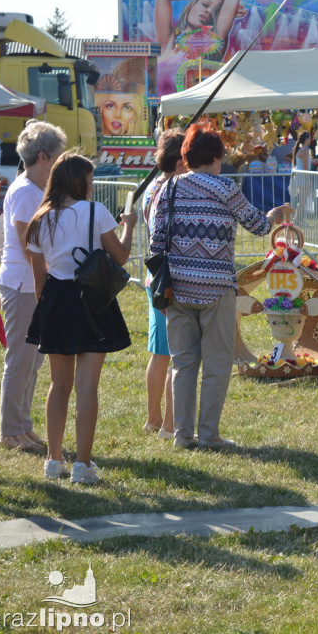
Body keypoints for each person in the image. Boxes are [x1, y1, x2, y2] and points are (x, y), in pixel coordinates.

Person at [149, 123, 289, 450]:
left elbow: (156, 241)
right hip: (216, 288)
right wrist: (276, 215)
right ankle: (208, 435)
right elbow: (257, 225)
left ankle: (183, 436)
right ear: (215, 157)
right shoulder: (226, 187)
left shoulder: (166, 188)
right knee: (216, 365)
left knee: (183, 365)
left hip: (176, 289)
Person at [25, 153, 137, 484]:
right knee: (88, 386)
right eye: (89, 180)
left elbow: (39, 279)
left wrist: (46, 311)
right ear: (80, 182)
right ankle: (83, 465)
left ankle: (53, 459)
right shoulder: (95, 212)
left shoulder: (40, 219)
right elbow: (120, 256)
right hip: (93, 300)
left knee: (59, 385)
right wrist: (128, 225)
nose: (92, 185)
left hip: (55, 300)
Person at [0, 122, 66, 453]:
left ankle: (23, 425)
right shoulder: (25, 192)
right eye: (57, 156)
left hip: (35, 282)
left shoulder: (35, 189)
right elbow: (28, 246)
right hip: (22, 284)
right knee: (21, 360)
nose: (60, 162)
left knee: (33, 361)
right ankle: (10, 431)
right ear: (42, 157)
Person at [141, 130, 185, 439]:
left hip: (154, 276)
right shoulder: (175, 189)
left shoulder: (152, 187)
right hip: (170, 278)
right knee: (176, 353)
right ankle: (169, 424)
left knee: (160, 353)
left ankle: (154, 419)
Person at [154, 0, 247, 95]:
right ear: (192, 4)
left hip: (192, 111)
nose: (208, 11)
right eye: (205, 4)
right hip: (159, 110)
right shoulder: (168, 41)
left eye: (215, 12)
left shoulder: (213, 44)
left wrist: (224, 8)